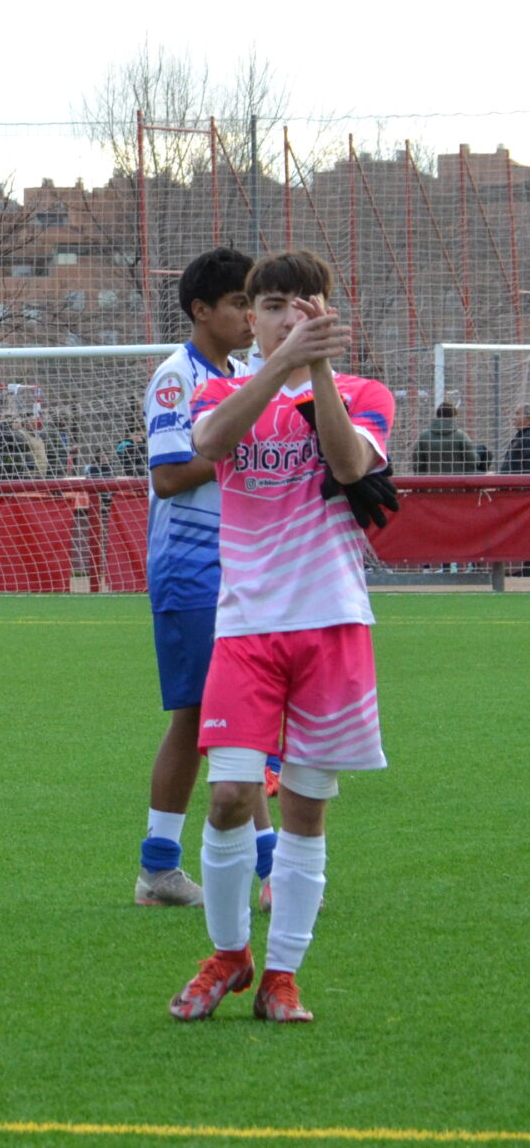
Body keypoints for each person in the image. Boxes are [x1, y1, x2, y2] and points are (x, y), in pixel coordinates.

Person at [170, 251, 397, 1025]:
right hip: (247, 627)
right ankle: (228, 954)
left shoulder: (365, 393)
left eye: (304, 304)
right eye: (271, 304)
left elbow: (349, 462)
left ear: (328, 314)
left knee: (305, 810)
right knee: (230, 796)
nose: (286, 317)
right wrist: (280, 366)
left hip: (332, 625)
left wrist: (317, 370)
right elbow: (209, 443)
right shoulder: (223, 389)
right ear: (251, 316)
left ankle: (282, 975)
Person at [135, 248, 273, 909]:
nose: (251, 317)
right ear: (200, 310)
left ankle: (168, 868)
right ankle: (257, 866)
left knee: (220, 716)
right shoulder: (176, 377)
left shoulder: (243, 374)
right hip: (191, 568)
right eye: (240, 303)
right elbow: (167, 475)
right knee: (209, 717)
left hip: (240, 565)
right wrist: (237, 445)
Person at [409, 403, 488, 474]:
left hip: (431, 481)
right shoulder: (461, 436)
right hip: (458, 480)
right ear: (453, 417)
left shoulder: (423, 436)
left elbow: (417, 463)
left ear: (438, 415)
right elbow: (473, 461)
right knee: (483, 450)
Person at [501, 406, 530, 475]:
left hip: (519, 480)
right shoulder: (520, 435)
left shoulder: (528, 435)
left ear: (528, 417)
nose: (514, 417)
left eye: (517, 414)